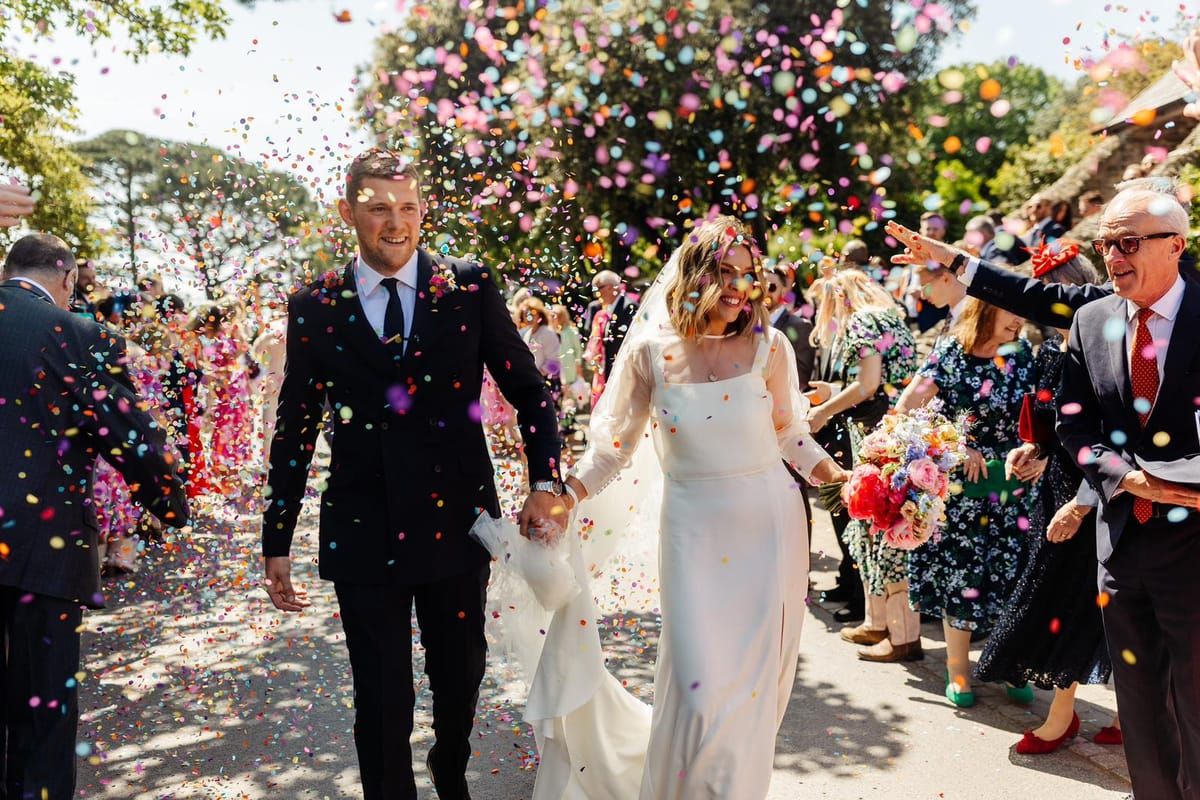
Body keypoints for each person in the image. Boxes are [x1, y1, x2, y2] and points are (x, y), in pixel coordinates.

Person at [262, 149, 561, 800]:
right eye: (377, 209)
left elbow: (531, 392)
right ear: (348, 213)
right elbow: (295, 427)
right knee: (381, 701)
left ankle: (448, 770)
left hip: (459, 527)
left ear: (422, 211)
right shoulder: (314, 305)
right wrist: (276, 538)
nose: (394, 223)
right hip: (363, 532)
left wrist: (546, 483)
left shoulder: (470, 286)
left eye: (407, 208)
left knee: (460, 679)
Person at [522, 215, 846, 798]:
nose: (736, 287)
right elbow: (612, 450)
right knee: (698, 684)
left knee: (749, 691)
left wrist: (843, 480)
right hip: (693, 530)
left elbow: (792, 436)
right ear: (694, 274)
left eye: (747, 276)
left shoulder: (770, 348)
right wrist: (565, 496)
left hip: (769, 527)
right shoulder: (651, 354)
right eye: (723, 272)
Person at [0, 233, 187, 798]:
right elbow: (129, 436)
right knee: (44, 710)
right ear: (67, 278)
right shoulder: (81, 336)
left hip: (41, 551)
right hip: (43, 551)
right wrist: (169, 503)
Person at [1056, 185, 1200, 800]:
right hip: (1122, 547)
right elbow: (1073, 422)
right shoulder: (1091, 321)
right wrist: (1126, 478)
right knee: (1139, 710)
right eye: (1107, 243)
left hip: (1197, 547)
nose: (1113, 255)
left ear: (1176, 245)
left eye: (1129, 241)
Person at [974, 243, 1120, 754]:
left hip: (1100, 489)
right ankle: (1112, 710)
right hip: (1054, 485)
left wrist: (1081, 497)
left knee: (1085, 597)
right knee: (1078, 596)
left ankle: (1064, 715)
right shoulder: (1049, 351)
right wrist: (1029, 450)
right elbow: (1050, 423)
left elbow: (1111, 433)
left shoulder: (1109, 349)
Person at [896, 295, 1036, 708]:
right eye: (1013, 309)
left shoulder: (1022, 352)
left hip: (1010, 491)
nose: (1019, 319)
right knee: (962, 577)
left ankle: (1011, 666)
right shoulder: (950, 354)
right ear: (989, 307)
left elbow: (1040, 412)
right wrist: (957, 445)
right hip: (961, 496)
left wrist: (1035, 449)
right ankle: (958, 670)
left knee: (1012, 580)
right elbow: (908, 409)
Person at [806, 269, 920, 659]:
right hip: (898, 429)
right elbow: (884, 384)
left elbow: (868, 385)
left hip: (876, 435)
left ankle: (901, 636)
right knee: (883, 522)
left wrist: (824, 410)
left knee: (881, 523)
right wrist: (836, 390)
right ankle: (878, 624)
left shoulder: (858, 321)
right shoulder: (891, 318)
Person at [584, 269, 638, 392]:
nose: (596, 294)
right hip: (611, 374)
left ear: (610, 287)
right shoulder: (611, 308)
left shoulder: (629, 307)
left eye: (598, 289)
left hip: (624, 375)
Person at [765, 264, 816, 391]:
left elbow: (800, 382)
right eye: (760, 287)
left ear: (783, 291)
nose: (765, 292)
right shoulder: (747, 325)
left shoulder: (800, 326)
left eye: (771, 287)